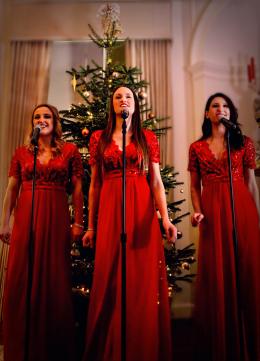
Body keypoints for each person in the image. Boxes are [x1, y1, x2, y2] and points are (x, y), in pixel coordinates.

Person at [82, 85, 177, 361]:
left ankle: (141, 345)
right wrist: (91, 226)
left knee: (140, 277)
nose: (123, 100)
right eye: (118, 97)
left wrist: (166, 220)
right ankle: (111, 345)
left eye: (128, 96)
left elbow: (157, 183)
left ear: (135, 104)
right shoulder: (98, 138)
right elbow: (95, 185)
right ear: (112, 105)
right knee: (110, 275)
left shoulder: (147, 138)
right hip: (111, 208)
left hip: (142, 209)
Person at [0, 104, 84, 361]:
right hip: (26, 219)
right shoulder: (23, 153)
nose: (42, 119)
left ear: (55, 121)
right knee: (21, 279)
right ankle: (21, 346)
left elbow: (78, 190)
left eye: (46, 116)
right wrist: (5, 222)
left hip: (57, 219)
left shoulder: (69, 151)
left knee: (54, 278)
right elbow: (12, 189)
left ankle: (51, 348)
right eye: (37, 116)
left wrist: (78, 223)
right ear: (32, 123)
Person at [188, 92, 260, 361]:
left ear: (231, 112)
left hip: (242, 211)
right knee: (218, 274)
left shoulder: (244, 144)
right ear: (207, 113)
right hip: (213, 212)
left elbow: (251, 184)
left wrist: (256, 217)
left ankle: (249, 343)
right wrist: (197, 211)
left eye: (225, 106)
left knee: (246, 274)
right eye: (215, 106)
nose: (221, 109)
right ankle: (223, 343)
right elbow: (195, 186)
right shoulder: (196, 148)